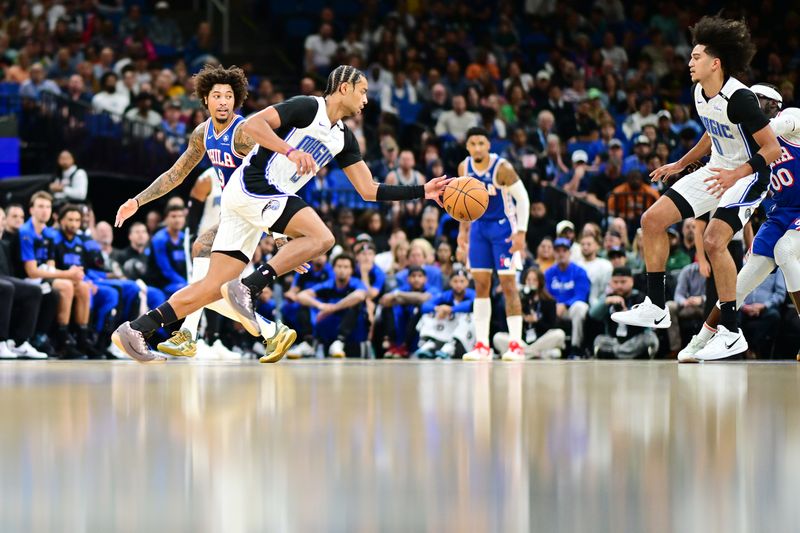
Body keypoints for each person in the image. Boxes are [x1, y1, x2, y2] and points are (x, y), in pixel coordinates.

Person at [112, 65, 448, 363]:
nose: (366, 99)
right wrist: (290, 150)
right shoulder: (307, 107)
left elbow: (368, 190)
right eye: (362, 91)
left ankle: (137, 329)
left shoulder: (345, 139)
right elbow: (256, 124)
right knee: (323, 237)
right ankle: (249, 288)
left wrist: (423, 191)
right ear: (344, 88)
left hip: (250, 201)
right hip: (255, 185)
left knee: (211, 287)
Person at [613, 17, 781, 350]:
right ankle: (657, 307)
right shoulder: (699, 93)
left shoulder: (741, 99)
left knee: (715, 241)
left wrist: (736, 174)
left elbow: (772, 149)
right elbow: (711, 132)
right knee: (651, 221)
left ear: (715, 63)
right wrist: (681, 163)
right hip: (716, 169)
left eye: (696, 57)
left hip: (749, 176)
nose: (689, 62)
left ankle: (731, 331)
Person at [113, 64, 291, 362]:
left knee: (205, 259)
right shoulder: (202, 133)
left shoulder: (244, 133)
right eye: (217, 96)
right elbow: (176, 174)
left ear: (237, 100)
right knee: (213, 283)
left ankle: (190, 335)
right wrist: (137, 201)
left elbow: (272, 179)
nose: (223, 101)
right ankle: (267, 331)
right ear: (205, 100)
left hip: (254, 209)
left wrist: (280, 233)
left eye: (229, 96)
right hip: (234, 213)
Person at [679, 85, 800, 361]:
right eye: (751, 100)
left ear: (775, 104)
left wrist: (746, 128)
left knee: (785, 251)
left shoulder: (791, 117)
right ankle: (700, 341)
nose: (753, 104)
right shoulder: (747, 141)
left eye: (759, 100)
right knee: (738, 286)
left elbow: (774, 130)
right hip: (778, 214)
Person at [456, 127, 531, 361]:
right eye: (472, 143)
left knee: (508, 285)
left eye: (481, 143)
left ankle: (516, 344)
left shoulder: (503, 168)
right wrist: (462, 231)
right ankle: (482, 345)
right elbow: (461, 201)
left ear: (489, 145)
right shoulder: (464, 167)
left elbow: (524, 199)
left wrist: (521, 232)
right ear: (467, 146)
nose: (477, 148)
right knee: (480, 285)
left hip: (503, 229)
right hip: (478, 228)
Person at [19, 192, 88, 358]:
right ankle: (62, 341)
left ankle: (83, 339)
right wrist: (67, 274)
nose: (45, 210)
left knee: (83, 287)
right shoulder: (26, 232)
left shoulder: (48, 233)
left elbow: (51, 266)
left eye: (48, 207)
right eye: (40, 206)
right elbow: (31, 271)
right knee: (65, 285)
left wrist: (69, 274)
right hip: (25, 278)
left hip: (42, 277)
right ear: (31, 210)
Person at [296, 254, 368, 358]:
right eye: (339, 266)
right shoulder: (328, 285)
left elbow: (360, 296)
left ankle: (340, 340)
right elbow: (301, 296)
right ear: (333, 268)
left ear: (351, 270)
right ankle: (309, 342)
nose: (342, 270)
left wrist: (333, 308)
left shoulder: (356, 283)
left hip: (354, 334)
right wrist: (320, 305)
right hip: (329, 331)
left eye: (346, 267)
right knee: (303, 305)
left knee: (356, 305)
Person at [0, 207, 46, 359]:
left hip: (4, 278)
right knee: (6, 288)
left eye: (1, 220)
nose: (1, 223)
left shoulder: (4, 244)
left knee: (34, 290)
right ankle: (1, 342)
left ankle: (20, 342)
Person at [494, 267, 565, 359]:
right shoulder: (518, 300)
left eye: (535, 280)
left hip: (540, 340)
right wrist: (523, 319)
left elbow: (552, 326)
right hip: (522, 340)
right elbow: (507, 327)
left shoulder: (549, 301)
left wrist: (537, 321)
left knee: (559, 334)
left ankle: (525, 354)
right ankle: (536, 354)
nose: (531, 283)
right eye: (528, 280)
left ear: (540, 282)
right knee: (498, 337)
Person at [591, 267, 659, 359]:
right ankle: (630, 354)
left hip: (634, 339)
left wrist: (628, 314)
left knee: (651, 338)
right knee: (598, 340)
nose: (619, 286)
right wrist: (606, 301)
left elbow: (650, 324)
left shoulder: (641, 298)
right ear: (610, 283)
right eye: (615, 282)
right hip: (614, 340)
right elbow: (593, 314)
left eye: (623, 282)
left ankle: (614, 354)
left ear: (631, 282)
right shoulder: (608, 298)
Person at [414, 269, 475, 359]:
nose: (458, 285)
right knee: (428, 315)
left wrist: (451, 309)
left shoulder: (472, 294)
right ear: (450, 282)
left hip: (467, 336)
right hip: (448, 331)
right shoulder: (446, 295)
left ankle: (453, 345)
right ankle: (430, 342)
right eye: (455, 281)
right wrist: (437, 309)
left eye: (462, 281)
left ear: (467, 283)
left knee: (469, 317)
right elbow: (425, 306)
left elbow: (472, 305)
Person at [545, 238, 591, 358]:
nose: (561, 254)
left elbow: (582, 295)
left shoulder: (579, 271)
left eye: (564, 250)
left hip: (570, 308)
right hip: (553, 308)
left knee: (580, 308)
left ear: (569, 253)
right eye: (558, 251)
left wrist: (564, 304)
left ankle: (576, 348)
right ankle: (549, 347)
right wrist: (553, 306)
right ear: (554, 253)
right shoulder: (548, 273)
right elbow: (544, 294)